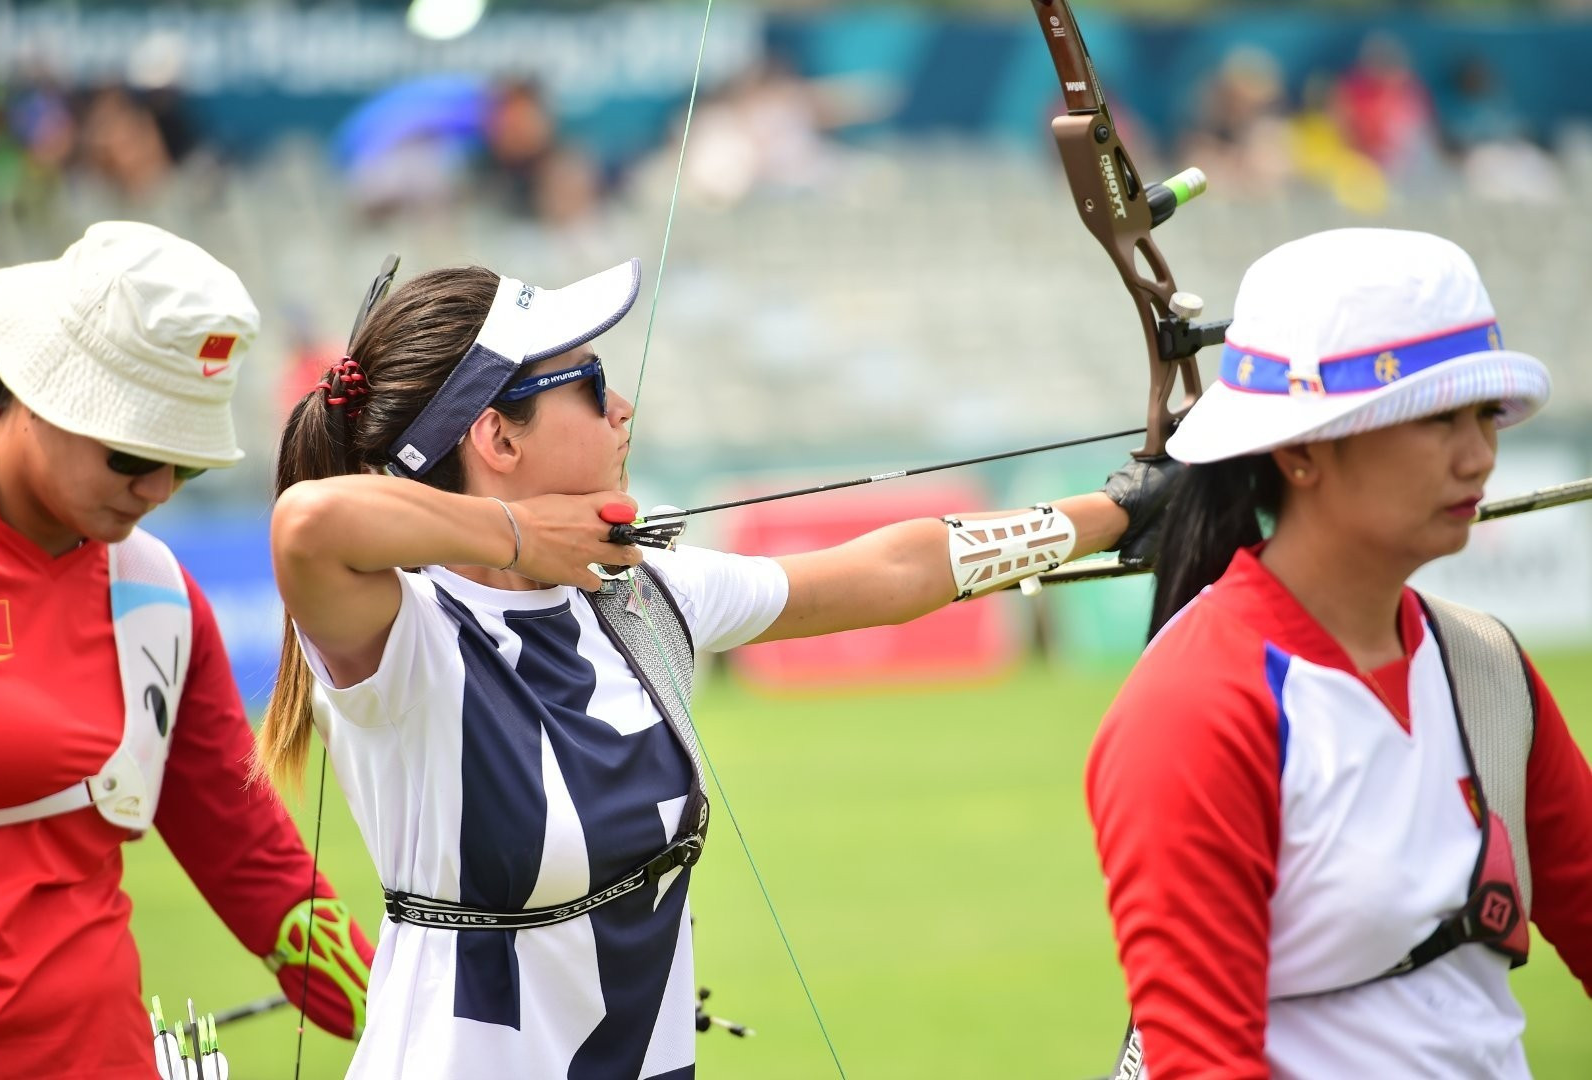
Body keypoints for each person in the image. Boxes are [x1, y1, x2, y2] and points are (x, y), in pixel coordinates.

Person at [253, 254, 1178, 1078]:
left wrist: (1118, 510)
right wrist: (521, 536)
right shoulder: (405, 635)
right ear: (499, 439)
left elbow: (892, 571)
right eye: (592, 384)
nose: (623, 409)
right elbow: (307, 525)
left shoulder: (637, 591)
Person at [1087, 228, 1592, 1078]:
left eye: (1483, 415)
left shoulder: (1485, 667)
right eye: (1436, 418)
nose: (1479, 456)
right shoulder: (1199, 705)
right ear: (1300, 450)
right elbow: (1202, 1062)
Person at [0, 221, 375, 1076]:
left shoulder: (153, 594)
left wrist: (426, 1018)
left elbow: (249, 854)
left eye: (182, 467)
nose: (156, 491)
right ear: (39, 391)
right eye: (131, 455)